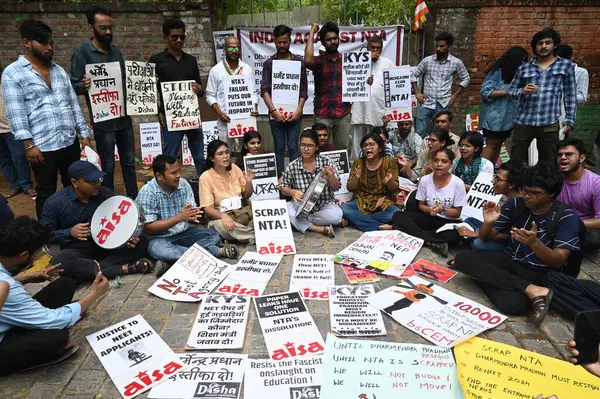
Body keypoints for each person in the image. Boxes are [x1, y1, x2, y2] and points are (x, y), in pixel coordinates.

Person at [453, 163, 581, 325]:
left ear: (552, 194)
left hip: (539, 272)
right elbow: (485, 238)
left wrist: (535, 243)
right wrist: (487, 223)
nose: (527, 196)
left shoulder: (566, 217)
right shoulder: (515, 204)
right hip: (510, 260)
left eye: (534, 193)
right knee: (463, 258)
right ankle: (531, 290)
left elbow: (558, 261)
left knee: (512, 305)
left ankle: (500, 279)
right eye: (525, 190)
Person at [2, 20, 91, 218]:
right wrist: (28, 145)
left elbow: (72, 103)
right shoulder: (13, 73)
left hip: (68, 140)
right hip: (42, 146)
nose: (49, 47)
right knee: (46, 190)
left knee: (74, 184)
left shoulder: (58, 71)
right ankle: (47, 232)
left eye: (51, 43)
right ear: (27, 42)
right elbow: (16, 113)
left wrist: (84, 134)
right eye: (43, 43)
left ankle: (74, 221)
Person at [0, 216, 110, 375]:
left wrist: (26, 277)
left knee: (65, 284)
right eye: (39, 253)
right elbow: (54, 320)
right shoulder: (10, 289)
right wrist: (94, 294)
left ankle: (73, 309)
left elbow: (6, 284)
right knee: (57, 336)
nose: (40, 257)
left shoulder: (7, 280)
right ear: (24, 255)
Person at [40, 160, 151, 284]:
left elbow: (121, 222)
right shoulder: (55, 202)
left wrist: (128, 239)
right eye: (90, 182)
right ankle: (124, 268)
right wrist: (70, 232)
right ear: (75, 182)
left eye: (98, 180)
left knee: (143, 240)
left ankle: (93, 270)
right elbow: (46, 236)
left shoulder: (106, 194)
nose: (97, 184)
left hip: (109, 245)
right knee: (61, 260)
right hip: (78, 250)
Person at [70, 5, 138, 198]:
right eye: (103, 28)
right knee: (107, 164)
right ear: (91, 28)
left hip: (123, 117)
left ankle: (134, 198)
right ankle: (108, 200)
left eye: (110, 27)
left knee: (129, 161)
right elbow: (74, 86)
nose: (108, 32)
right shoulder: (82, 52)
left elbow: (126, 81)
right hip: (103, 120)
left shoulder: (116, 51)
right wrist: (84, 84)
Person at [136, 155, 234, 276]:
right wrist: (179, 218)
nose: (178, 176)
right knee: (160, 250)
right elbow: (149, 228)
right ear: (159, 176)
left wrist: (193, 215)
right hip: (159, 238)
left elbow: (191, 211)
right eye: (173, 173)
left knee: (213, 235)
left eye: (179, 171)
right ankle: (213, 251)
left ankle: (172, 262)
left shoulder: (183, 184)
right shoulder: (147, 192)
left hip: (184, 233)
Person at [507, 28, 576, 164]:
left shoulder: (565, 66)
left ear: (554, 45)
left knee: (549, 162)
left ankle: (544, 186)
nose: (543, 46)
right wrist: (522, 91)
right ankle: (519, 185)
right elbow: (510, 92)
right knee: (517, 162)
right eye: (540, 43)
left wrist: (570, 119)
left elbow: (570, 94)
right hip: (523, 122)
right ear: (535, 47)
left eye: (547, 42)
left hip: (549, 122)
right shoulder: (524, 68)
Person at [149, 19, 206, 177]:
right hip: (170, 116)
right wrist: (151, 82)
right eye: (174, 37)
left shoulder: (191, 60)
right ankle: (168, 187)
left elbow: (200, 90)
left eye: (182, 37)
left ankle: (203, 185)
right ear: (165, 37)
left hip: (191, 116)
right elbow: (147, 91)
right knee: (170, 157)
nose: (179, 40)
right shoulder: (156, 60)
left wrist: (199, 89)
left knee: (199, 156)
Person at [393, 148, 466, 257]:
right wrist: (428, 210)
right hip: (429, 218)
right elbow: (420, 205)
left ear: (451, 164)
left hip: (447, 221)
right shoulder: (425, 180)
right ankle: (431, 241)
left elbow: (457, 212)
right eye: (436, 160)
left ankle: (416, 235)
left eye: (444, 161)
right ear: (432, 162)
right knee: (399, 216)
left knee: (458, 233)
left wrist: (443, 209)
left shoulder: (458, 183)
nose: (439, 164)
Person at [261, 25, 307, 174]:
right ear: (274, 41)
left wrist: (299, 110)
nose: (282, 45)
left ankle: (294, 180)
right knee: (279, 148)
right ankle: (280, 182)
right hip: (276, 115)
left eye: (285, 42)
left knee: (294, 147)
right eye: (279, 42)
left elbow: (303, 90)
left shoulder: (298, 62)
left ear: (290, 41)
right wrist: (273, 111)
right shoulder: (269, 63)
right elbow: (264, 90)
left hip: (295, 114)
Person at [280, 129, 343, 237]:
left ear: (317, 147)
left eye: (310, 145)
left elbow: (336, 187)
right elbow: (282, 187)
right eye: (303, 145)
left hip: (323, 207)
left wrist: (330, 176)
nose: (306, 149)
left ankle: (301, 221)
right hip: (300, 207)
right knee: (285, 209)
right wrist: (292, 192)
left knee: (337, 215)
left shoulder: (326, 161)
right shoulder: (293, 165)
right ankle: (320, 228)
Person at [458, 160, 526, 252]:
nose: (492, 181)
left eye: (497, 179)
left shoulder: (515, 204)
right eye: (494, 177)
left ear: (511, 184)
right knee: (470, 220)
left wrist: (476, 233)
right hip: (496, 232)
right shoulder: (510, 200)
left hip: (510, 246)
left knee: (478, 243)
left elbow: (509, 236)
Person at [411, 32, 470, 138]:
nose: (438, 48)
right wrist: (417, 92)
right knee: (419, 133)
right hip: (426, 103)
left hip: (443, 104)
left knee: (439, 135)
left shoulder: (456, 62)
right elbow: (413, 75)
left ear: (449, 47)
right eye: (437, 46)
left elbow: (466, 78)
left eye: (442, 46)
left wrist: (454, 96)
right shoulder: (427, 61)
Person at [304, 22, 351, 152]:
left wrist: (367, 81)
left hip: (343, 113)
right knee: (319, 149)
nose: (333, 41)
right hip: (323, 114)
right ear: (323, 43)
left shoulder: (347, 61)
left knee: (342, 150)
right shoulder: (319, 61)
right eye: (329, 40)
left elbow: (357, 80)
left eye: (335, 38)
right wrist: (312, 32)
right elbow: (307, 60)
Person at [341, 133, 400, 232]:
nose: (368, 147)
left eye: (372, 144)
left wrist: (389, 181)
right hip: (361, 200)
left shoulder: (389, 161)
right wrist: (356, 177)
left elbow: (395, 189)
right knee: (343, 209)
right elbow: (350, 188)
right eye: (365, 145)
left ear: (380, 148)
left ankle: (355, 219)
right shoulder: (358, 162)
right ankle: (379, 226)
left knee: (395, 213)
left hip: (382, 201)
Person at [479, 46, 528, 162]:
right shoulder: (498, 72)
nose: (524, 63)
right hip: (494, 116)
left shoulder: (518, 75)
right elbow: (485, 91)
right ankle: (481, 173)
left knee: (498, 144)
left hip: (508, 118)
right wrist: (508, 92)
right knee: (491, 144)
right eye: (522, 60)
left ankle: (491, 171)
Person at [200, 140, 255, 244]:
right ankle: (255, 236)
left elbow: (246, 195)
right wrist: (223, 216)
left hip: (241, 211)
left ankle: (237, 236)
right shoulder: (205, 177)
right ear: (212, 158)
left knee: (260, 214)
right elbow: (208, 210)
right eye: (220, 154)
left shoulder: (235, 168)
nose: (225, 156)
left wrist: (249, 182)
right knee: (219, 226)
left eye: (226, 152)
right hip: (221, 216)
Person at [351, 35, 395, 159]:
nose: (375, 51)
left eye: (378, 48)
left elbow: (391, 90)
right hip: (359, 108)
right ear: (367, 48)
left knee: (375, 140)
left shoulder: (388, 63)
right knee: (357, 140)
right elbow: (349, 83)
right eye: (372, 48)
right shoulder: (357, 62)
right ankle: (356, 164)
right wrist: (365, 63)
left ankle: (375, 164)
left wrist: (388, 112)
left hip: (378, 109)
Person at [206, 35, 256, 143]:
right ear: (224, 49)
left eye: (237, 48)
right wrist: (219, 113)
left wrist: (255, 106)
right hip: (225, 123)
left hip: (245, 121)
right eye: (230, 48)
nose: (234, 51)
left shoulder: (247, 69)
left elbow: (254, 92)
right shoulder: (216, 70)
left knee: (245, 153)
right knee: (225, 154)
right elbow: (209, 95)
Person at [556, 139, 600, 250]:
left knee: (593, 239)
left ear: (582, 158)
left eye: (569, 154)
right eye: (560, 154)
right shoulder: (553, 179)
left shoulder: (596, 183)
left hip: (582, 226)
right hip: (554, 223)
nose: (563, 158)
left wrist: (571, 223)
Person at [0, 62, 35, 200]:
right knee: (4, 160)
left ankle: (26, 186)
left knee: (19, 157)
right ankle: (15, 186)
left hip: (11, 129)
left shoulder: (7, 85)